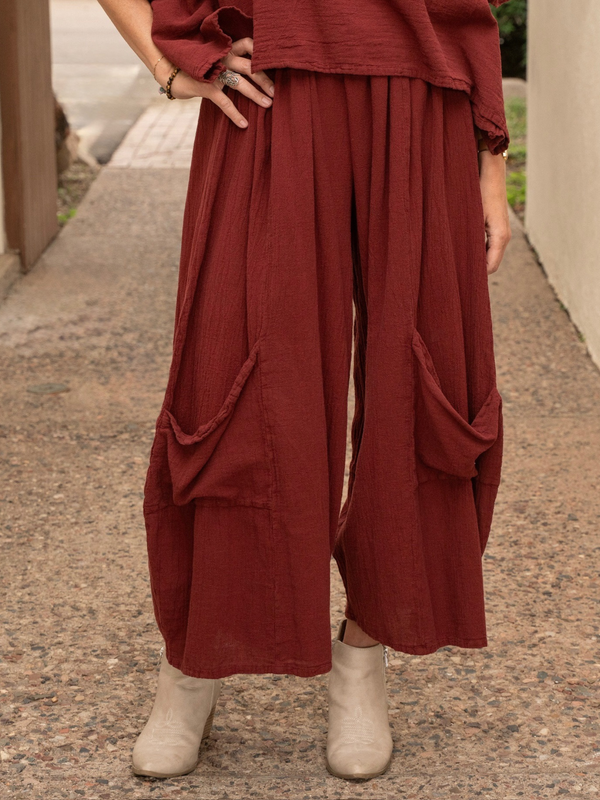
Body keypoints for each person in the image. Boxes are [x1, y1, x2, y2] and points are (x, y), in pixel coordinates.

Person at [97, 0, 512, 782]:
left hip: (421, 95)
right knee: (232, 372)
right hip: (270, 94)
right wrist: (171, 65)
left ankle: (364, 654)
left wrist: (492, 160)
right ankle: (195, 661)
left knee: (420, 383)